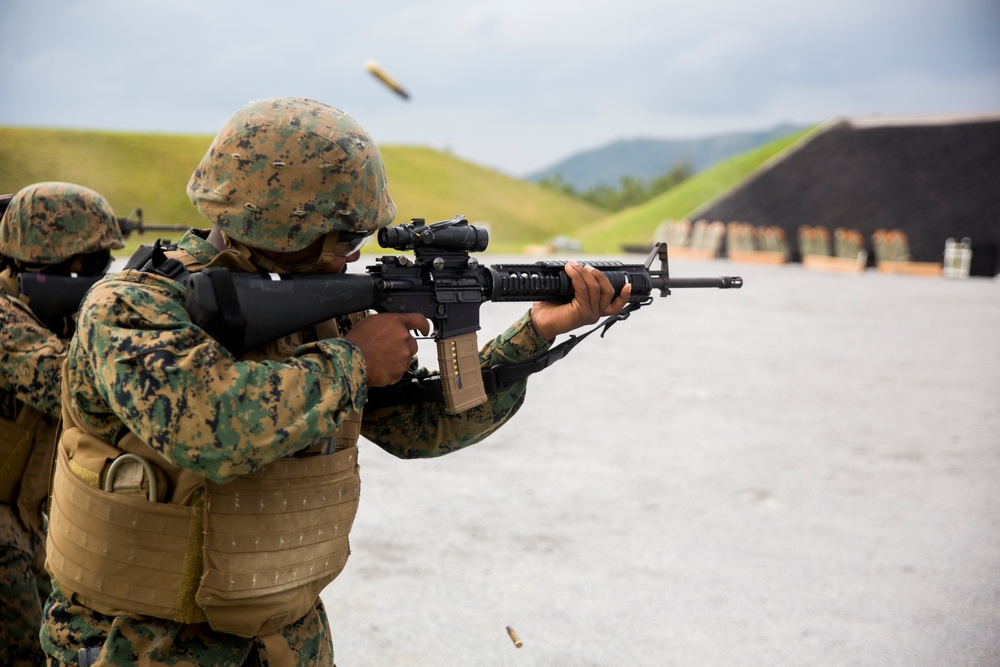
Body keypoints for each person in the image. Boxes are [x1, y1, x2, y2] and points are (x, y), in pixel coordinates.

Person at [40, 97, 631, 667]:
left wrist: (538, 331)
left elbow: (419, 429)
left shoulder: (321, 310)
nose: (352, 256)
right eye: (346, 238)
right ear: (285, 224)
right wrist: (352, 361)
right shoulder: (134, 305)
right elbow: (209, 429)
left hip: (285, 641)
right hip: (139, 647)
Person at [0, 182, 125, 665]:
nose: (104, 276)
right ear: (66, 262)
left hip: (26, 518)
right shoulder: (6, 318)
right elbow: (63, 384)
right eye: (98, 265)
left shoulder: (50, 315)